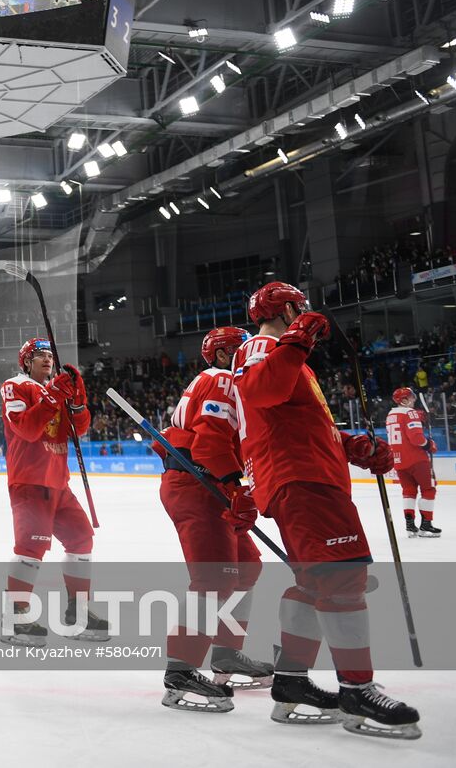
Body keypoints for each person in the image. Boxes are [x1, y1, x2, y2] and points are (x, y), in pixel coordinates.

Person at [232, 282, 420, 739]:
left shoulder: (287, 357)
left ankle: (292, 683)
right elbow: (260, 392)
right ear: (289, 309)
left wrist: (353, 445)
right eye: (300, 308)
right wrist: (297, 338)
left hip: (304, 476)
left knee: (314, 582)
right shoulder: (265, 344)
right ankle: (358, 689)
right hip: (302, 480)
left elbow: (300, 422)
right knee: (342, 579)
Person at [152, 327, 273, 714]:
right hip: (197, 486)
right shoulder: (222, 379)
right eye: (240, 351)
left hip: (211, 485)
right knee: (215, 578)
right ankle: (181, 671)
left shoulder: (230, 383)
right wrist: (235, 486)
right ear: (223, 355)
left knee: (247, 566)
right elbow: (208, 444)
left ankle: (226, 655)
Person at [0, 338, 108, 648]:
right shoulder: (15, 385)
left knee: (81, 538)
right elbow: (27, 429)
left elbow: (78, 429)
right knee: (31, 547)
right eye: (39, 356)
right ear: (25, 362)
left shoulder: (55, 389)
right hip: (30, 481)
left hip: (59, 482)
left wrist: (77, 401)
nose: (47, 360)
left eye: (49, 355)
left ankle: (78, 613)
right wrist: (56, 395)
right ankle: (14, 618)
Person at [386, 387, 440, 537]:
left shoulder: (390, 414)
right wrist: (429, 444)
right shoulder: (410, 413)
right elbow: (417, 439)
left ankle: (410, 526)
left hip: (398, 461)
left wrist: (417, 418)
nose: (414, 399)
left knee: (408, 491)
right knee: (429, 489)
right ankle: (426, 526)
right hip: (417, 460)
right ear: (403, 400)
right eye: (411, 397)